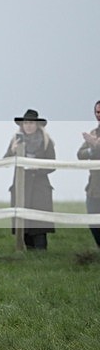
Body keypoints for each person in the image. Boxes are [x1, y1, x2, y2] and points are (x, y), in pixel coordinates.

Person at [3, 108, 56, 250]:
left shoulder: (46, 141)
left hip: (40, 187)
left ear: (37, 124)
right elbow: (5, 162)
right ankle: (28, 254)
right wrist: (12, 151)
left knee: (39, 224)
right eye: (26, 122)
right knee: (23, 223)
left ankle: (41, 254)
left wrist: (37, 168)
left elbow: (53, 165)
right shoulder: (16, 140)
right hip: (21, 186)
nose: (28, 125)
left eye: (31, 122)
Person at [77, 100, 100, 248]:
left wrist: (96, 144)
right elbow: (80, 154)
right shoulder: (93, 133)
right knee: (93, 221)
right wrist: (92, 149)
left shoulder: (93, 138)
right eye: (97, 112)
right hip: (94, 187)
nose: (99, 115)